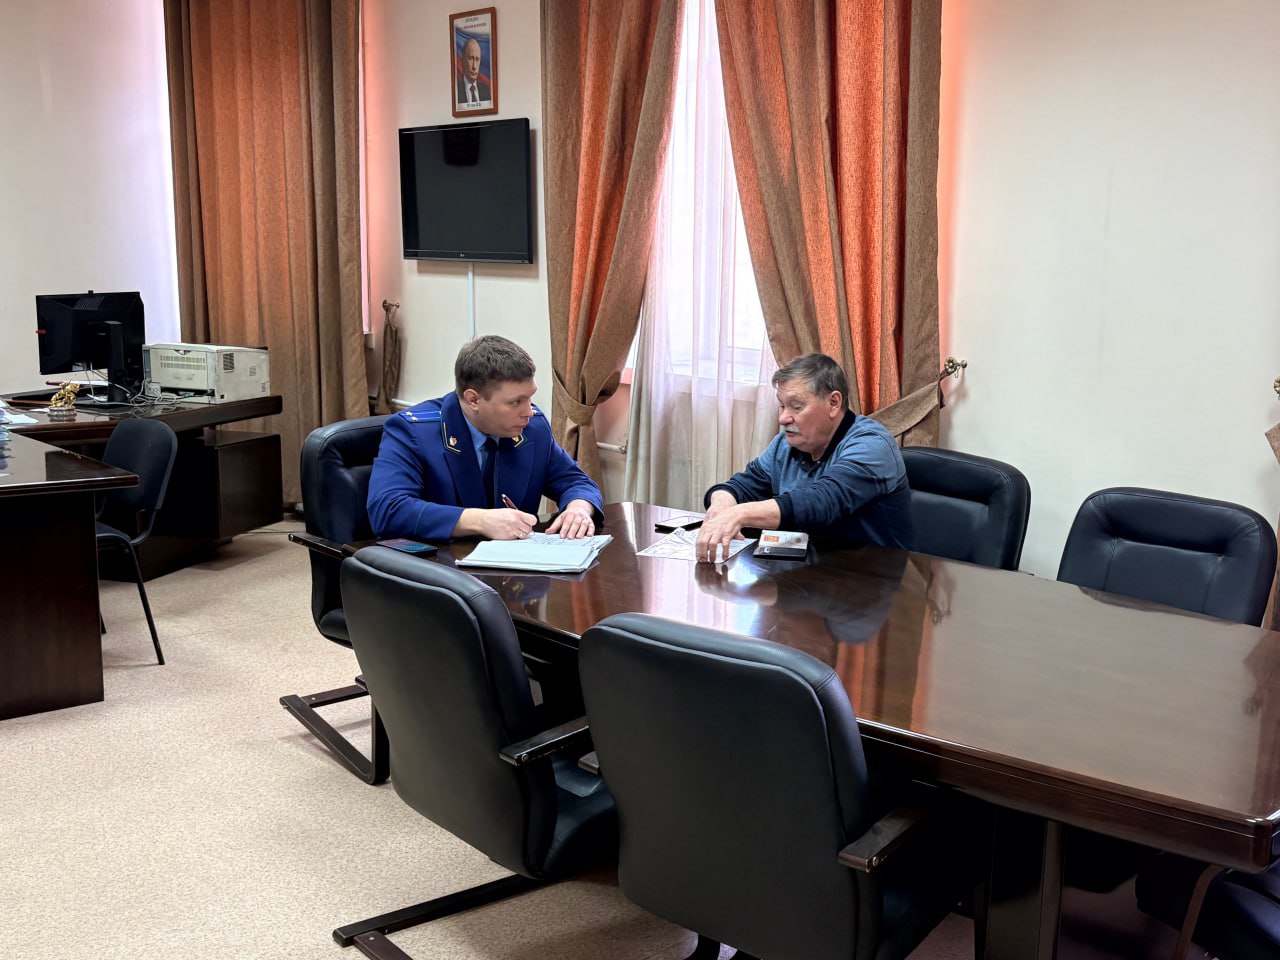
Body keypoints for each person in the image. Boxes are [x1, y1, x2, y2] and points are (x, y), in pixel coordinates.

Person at [367, 335, 602, 542]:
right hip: (437, 569)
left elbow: (576, 482)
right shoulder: (413, 432)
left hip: (513, 571)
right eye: (515, 402)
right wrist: (479, 520)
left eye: (529, 398)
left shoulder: (533, 429)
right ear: (473, 400)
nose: (529, 411)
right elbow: (388, 509)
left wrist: (579, 509)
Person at [695, 353, 913, 562]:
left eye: (796, 407)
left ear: (833, 403)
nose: (783, 418)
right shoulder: (785, 444)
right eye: (782, 406)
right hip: (805, 572)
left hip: (871, 578)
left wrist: (740, 513)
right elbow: (744, 486)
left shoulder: (872, 444)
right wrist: (722, 502)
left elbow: (823, 501)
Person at [454, 38, 492, 106]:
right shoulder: (456, 90)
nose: (474, 66)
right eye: (471, 58)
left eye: (477, 59)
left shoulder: (485, 90)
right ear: (463, 60)